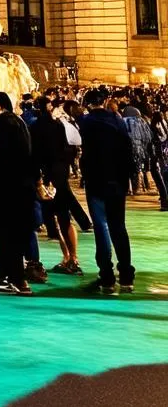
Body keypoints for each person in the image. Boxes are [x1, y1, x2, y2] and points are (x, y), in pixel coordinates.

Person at [0, 91, 35, 296]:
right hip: (22, 186)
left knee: (2, 232)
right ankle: (2, 274)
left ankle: (15, 279)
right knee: (16, 232)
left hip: (2, 185)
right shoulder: (20, 123)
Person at [79, 87, 135, 294]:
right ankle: (127, 276)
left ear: (88, 104)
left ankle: (107, 277)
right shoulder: (118, 120)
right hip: (117, 182)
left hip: (96, 181)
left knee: (101, 229)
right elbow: (127, 149)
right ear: (104, 102)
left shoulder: (86, 122)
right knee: (119, 227)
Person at [31, 95, 82, 277]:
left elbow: (34, 155)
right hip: (60, 177)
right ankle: (73, 259)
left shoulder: (35, 127)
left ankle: (68, 257)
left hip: (45, 179)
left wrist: (37, 178)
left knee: (54, 222)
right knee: (65, 219)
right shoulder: (59, 125)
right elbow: (70, 149)